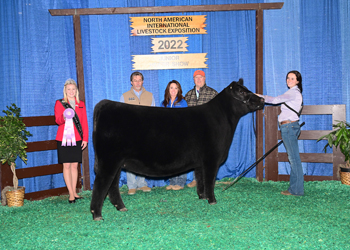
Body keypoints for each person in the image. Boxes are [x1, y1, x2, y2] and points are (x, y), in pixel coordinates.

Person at [257, 70, 304, 196]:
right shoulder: (295, 93)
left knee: (294, 159)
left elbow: (275, 100)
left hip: (288, 127)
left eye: (292, 78)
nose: (289, 80)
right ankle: (294, 188)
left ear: (297, 81)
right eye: (288, 78)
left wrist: (259, 96)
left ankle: (297, 190)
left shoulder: (293, 92)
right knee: (293, 158)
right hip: (291, 126)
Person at [120, 71, 155, 195]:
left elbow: (154, 116)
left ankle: (142, 183)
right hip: (130, 134)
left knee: (144, 158)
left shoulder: (150, 96)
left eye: (139, 80)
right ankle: (131, 185)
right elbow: (121, 117)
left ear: (143, 81)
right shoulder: (124, 96)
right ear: (131, 82)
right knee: (130, 159)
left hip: (146, 133)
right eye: (135, 80)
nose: (137, 83)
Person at [55, 79, 89, 203]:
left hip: (77, 138)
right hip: (63, 138)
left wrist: (85, 138)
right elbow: (58, 120)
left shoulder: (81, 104)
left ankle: (75, 191)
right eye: (69, 89)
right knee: (67, 165)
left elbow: (84, 122)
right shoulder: (60, 103)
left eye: (73, 89)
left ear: (76, 91)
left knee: (75, 165)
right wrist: (64, 116)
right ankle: (70, 193)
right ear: (65, 90)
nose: (71, 91)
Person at [184, 70, 218, 188]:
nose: (199, 79)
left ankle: (207, 179)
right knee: (194, 155)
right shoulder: (188, 95)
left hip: (208, 130)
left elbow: (218, 112)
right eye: (196, 77)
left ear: (205, 78)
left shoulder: (213, 94)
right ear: (193, 79)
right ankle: (196, 179)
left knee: (207, 155)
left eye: (201, 77)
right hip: (191, 131)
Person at [161, 80, 188, 190]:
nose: (173, 90)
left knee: (181, 158)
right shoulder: (164, 103)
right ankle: (172, 181)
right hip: (167, 135)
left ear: (179, 90)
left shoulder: (183, 103)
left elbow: (186, 119)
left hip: (180, 134)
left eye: (175, 88)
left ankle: (180, 182)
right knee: (170, 158)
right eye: (171, 88)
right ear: (168, 89)